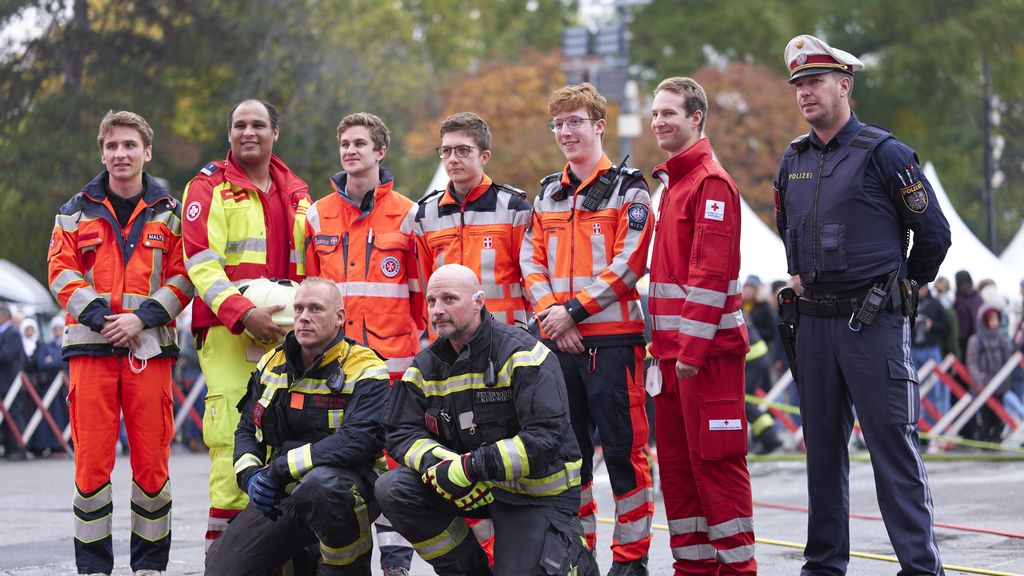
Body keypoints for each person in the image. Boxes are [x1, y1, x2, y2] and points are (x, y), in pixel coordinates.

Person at [774, 35, 951, 575]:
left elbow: (935, 235)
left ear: (844, 85)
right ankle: (824, 567)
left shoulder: (886, 153)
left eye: (816, 82)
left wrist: (901, 288)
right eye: (799, 84)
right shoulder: (793, 159)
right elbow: (788, 230)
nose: (806, 93)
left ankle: (920, 569)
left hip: (872, 325)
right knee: (822, 457)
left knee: (892, 452)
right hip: (815, 328)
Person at [375, 264, 596, 576]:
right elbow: (399, 430)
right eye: (431, 301)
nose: (437, 310)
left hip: (534, 494)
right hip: (470, 485)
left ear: (478, 302)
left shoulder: (522, 353)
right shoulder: (426, 364)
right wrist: (440, 464)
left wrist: (470, 468)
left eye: (449, 299)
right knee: (393, 488)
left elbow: (545, 438)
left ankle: (573, 556)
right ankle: (469, 571)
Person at [47, 110, 193, 576]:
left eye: (129, 145)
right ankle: (93, 567)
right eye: (111, 146)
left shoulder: (171, 212)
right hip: (90, 352)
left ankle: (149, 566)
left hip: (148, 354)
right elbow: (61, 273)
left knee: (152, 467)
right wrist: (106, 319)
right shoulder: (73, 211)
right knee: (91, 468)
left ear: (147, 152)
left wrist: (141, 320)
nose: (120, 154)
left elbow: (185, 274)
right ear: (102, 153)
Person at [519, 82, 654, 575]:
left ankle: (631, 561)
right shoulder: (547, 194)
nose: (566, 132)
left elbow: (630, 262)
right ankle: (580, 559)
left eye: (575, 121)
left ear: (599, 126)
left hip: (613, 344)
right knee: (566, 460)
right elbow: (529, 262)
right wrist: (554, 316)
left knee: (624, 455)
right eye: (559, 124)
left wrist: (570, 311)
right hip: (556, 345)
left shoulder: (629, 189)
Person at [182, 99, 312, 545]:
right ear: (229, 133)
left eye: (258, 124)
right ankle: (228, 550)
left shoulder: (297, 191)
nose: (248, 132)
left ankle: (279, 544)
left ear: (275, 131)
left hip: (286, 331)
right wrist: (243, 314)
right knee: (231, 432)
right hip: (226, 331)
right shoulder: (208, 187)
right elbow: (201, 264)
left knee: (285, 428)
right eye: (239, 125)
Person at [304, 112, 422, 575]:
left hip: (394, 362)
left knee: (392, 464)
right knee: (341, 459)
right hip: (336, 366)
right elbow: (308, 291)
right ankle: (348, 560)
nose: (351, 151)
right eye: (345, 144)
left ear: (380, 152)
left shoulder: (409, 214)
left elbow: (420, 293)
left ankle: (395, 563)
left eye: (360, 143)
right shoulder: (317, 215)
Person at [205, 278, 390, 575]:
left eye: (315, 309)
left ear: (339, 318)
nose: (304, 317)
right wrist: (250, 476)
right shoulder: (271, 362)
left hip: (348, 490)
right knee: (222, 569)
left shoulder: (366, 367)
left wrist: (279, 469)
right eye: (299, 308)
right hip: (284, 492)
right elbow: (246, 430)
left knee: (319, 487)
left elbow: (359, 440)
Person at [648, 76, 757, 574]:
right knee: (677, 474)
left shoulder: (710, 183)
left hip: (705, 362)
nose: (658, 122)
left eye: (669, 112)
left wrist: (689, 354)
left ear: (696, 117)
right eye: (654, 114)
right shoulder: (672, 184)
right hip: (670, 361)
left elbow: (709, 278)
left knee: (716, 469)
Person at [415, 112, 533, 332]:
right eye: (446, 151)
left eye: (463, 150)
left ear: (484, 157)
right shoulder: (425, 215)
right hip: (447, 341)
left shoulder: (514, 208)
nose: (452, 158)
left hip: (504, 337)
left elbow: (531, 280)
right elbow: (425, 285)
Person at [965, 305, 1015, 442]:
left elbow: (1008, 363)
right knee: (984, 416)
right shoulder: (976, 340)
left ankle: (997, 437)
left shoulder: (1002, 341)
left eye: (996, 319)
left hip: (999, 386)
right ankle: (984, 439)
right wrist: (979, 382)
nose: (995, 322)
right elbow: (972, 363)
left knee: (998, 416)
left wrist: (1005, 383)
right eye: (991, 319)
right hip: (984, 385)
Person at [27, 316, 70, 457]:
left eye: (59, 328)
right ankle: (48, 445)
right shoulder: (47, 345)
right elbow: (41, 362)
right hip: (49, 387)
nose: (57, 331)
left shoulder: (66, 343)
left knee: (63, 416)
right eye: (55, 328)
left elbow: (64, 360)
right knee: (48, 416)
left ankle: (61, 445)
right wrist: (54, 360)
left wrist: (53, 359)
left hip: (63, 388)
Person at [911, 284, 951, 423]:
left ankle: (933, 425)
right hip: (913, 349)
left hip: (931, 349)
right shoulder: (910, 302)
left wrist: (931, 325)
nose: (921, 291)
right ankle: (918, 426)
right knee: (913, 389)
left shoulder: (935, 304)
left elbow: (947, 327)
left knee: (935, 390)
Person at [0, 305, 27, 461]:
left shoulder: (13, 333)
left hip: (11, 382)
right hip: (4, 382)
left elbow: (7, 356)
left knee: (15, 415)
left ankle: (18, 447)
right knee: (6, 417)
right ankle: (9, 447)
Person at [954, 270, 984, 358]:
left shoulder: (961, 302)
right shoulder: (979, 297)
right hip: (981, 340)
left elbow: (963, 330)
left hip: (967, 343)